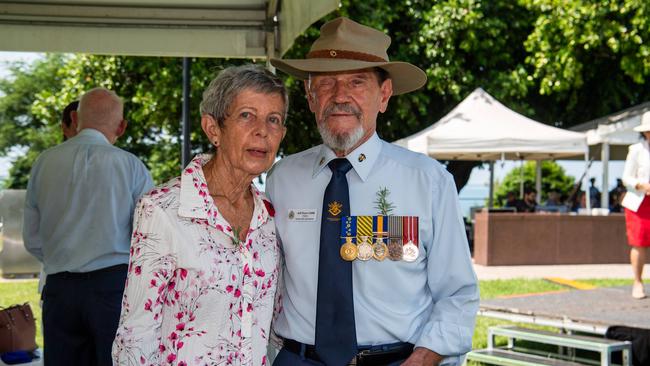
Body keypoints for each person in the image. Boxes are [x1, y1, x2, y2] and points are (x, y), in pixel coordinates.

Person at [267, 17, 479, 366]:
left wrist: (425, 358)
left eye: (356, 81)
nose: (340, 96)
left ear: (384, 95)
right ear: (309, 96)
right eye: (326, 83)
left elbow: (458, 293)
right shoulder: (281, 178)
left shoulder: (428, 181)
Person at [112, 65, 287, 365]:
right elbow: (134, 338)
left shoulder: (269, 217)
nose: (263, 130)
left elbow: (273, 329)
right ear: (213, 129)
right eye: (247, 115)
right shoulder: (163, 210)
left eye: (274, 120)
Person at [23, 87, 154, 365]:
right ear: (121, 126)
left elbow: (32, 237)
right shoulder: (131, 166)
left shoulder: (44, 163)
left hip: (60, 286)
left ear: (75, 117)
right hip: (113, 288)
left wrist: (61, 260)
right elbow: (149, 238)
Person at [621, 110, 650, 299]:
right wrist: (641, 185)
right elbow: (626, 178)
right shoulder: (636, 150)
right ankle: (637, 282)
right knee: (639, 243)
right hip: (639, 204)